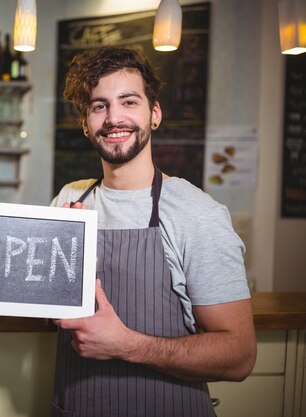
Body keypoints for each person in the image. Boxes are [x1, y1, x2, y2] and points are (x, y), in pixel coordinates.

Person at [49, 46, 256, 417]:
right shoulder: (69, 200)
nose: (114, 118)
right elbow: (37, 302)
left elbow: (239, 356)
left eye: (129, 102)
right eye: (99, 106)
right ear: (85, 122)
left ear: (154, 114)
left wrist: (126, 344)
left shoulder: (197, 214)